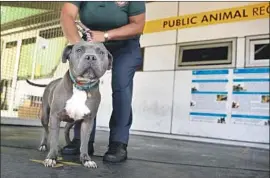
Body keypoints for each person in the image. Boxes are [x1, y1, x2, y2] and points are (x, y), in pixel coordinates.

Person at [60, 1, 146, 163]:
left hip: (125, 47)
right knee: (83, 86)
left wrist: (106, 35)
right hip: (91, 44)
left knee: (121, 87)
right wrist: (80, 47)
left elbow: (138, 25)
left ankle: (118, 142)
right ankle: (83, 140)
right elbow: (67, 15)